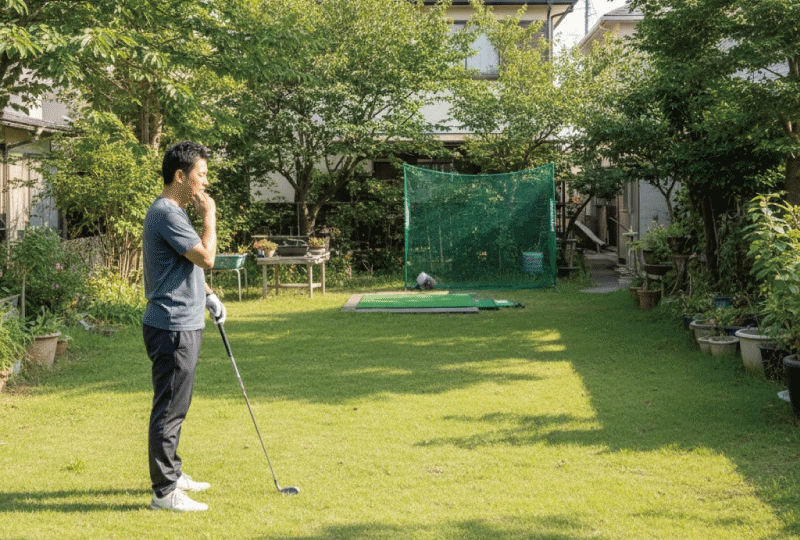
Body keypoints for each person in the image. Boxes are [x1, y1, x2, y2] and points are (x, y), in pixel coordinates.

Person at [142, 140, 227, 512]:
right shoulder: (167, 212)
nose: (204, 184)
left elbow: (186, 264)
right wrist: (210, 216)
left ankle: (173, 474)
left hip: (183, 321)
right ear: (181, 176)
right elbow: (206, 257)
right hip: (173, 325)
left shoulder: (171, 212)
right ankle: (164, 491)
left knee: (177, 403)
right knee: (170, 408)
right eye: (201, 175)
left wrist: (207, 295)